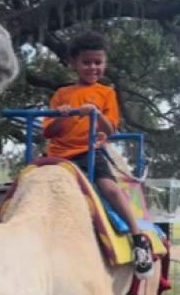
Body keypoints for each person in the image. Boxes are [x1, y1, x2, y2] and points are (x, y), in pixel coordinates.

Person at [42, 31, 155, 277]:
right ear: (73, 62)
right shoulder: (62, 94)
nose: (92, 67)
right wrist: (63, 116)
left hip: (89, 152)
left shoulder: (107, 93)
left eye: (98, 62)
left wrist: (95, 112)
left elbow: (110, 128)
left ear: (105, 63)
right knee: (32, 185)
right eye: (86, 62)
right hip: (59, 155)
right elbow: (48, 131)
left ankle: (138, 238)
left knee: (110, 188)